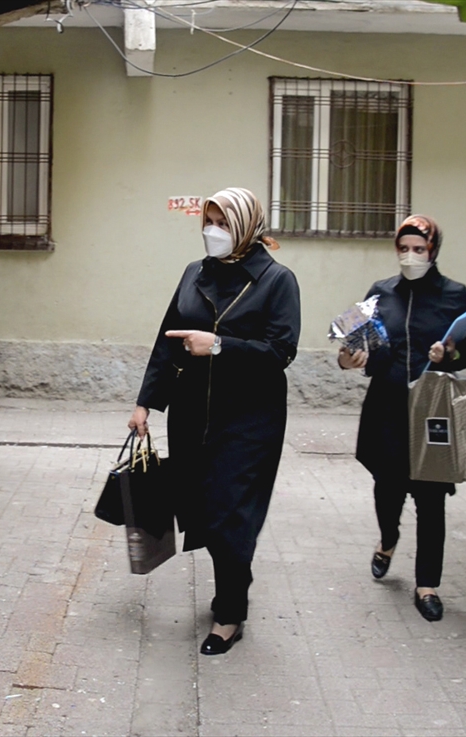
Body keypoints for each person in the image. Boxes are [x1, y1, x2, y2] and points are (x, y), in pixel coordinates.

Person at [131, 187, 301, 656]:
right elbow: (167, 340)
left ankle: (229, 613)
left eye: (223, 223)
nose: (213, 232)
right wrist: (147, 403)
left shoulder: (276, 280)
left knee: (231, 515)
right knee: (204, 510)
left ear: (246, 226)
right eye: (208, 221)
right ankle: (233, 582)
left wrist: (221, 345)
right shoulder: (193, 273)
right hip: (191, 414)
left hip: (249, 420)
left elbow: (280, 351)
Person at [337, 215, 466, 622]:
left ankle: (427, 585)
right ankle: (388, 539)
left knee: (432, 499)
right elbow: (351, 346)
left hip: (433, 408)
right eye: (404, 249)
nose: (411, 256)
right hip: (387, 407)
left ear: (433, 250)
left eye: (419, 249)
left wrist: (447, 355)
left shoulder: (456, 295)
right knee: (387, 488)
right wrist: (348, 359)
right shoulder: (379, 293)